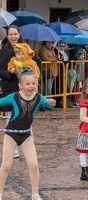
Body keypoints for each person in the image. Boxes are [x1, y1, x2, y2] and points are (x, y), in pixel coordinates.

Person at [0, 68, 56, 200]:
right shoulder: (14, 96)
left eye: (33, 83)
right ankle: (0, 192)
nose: (31, 86)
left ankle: (35, 194)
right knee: (6, 165)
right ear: (20, 85)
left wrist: (51, 103)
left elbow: (50, 105)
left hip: (26, 135)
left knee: (34, 164)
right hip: (11, 135)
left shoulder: (38, 98)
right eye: (27, 84)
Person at [0, 25, 41, 159]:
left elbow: (37, 62)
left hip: (25, 90)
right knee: (10, 117)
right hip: (10, 88)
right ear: (7, 35)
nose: (13, 37)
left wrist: (30, 75)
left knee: (26, 115)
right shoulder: (4, 51)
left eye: (15, 34)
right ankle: (13, 150)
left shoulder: (26, 47)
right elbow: (1, 71)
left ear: (19, 34)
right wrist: (10, 73)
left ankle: (29, 144)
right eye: (10, 34)